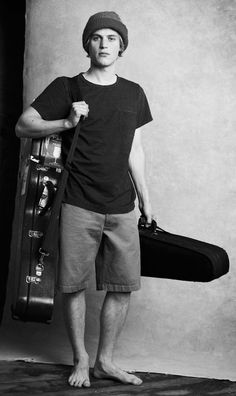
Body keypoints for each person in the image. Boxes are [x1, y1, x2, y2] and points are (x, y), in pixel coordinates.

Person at [15, 11, 154, 388]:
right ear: (87, 44)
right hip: (77, 201)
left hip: (122, 204)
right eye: (97, 37)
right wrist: (65, 122)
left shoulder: (133, 92)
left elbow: (134, 149)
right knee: (73, 285)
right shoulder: (68, 87)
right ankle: (81, 359)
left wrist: (146, 199)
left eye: (112, 38)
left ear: (121, 46)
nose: (105, 44)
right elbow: (22, 126)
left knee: (122, 285)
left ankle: (105, 361)